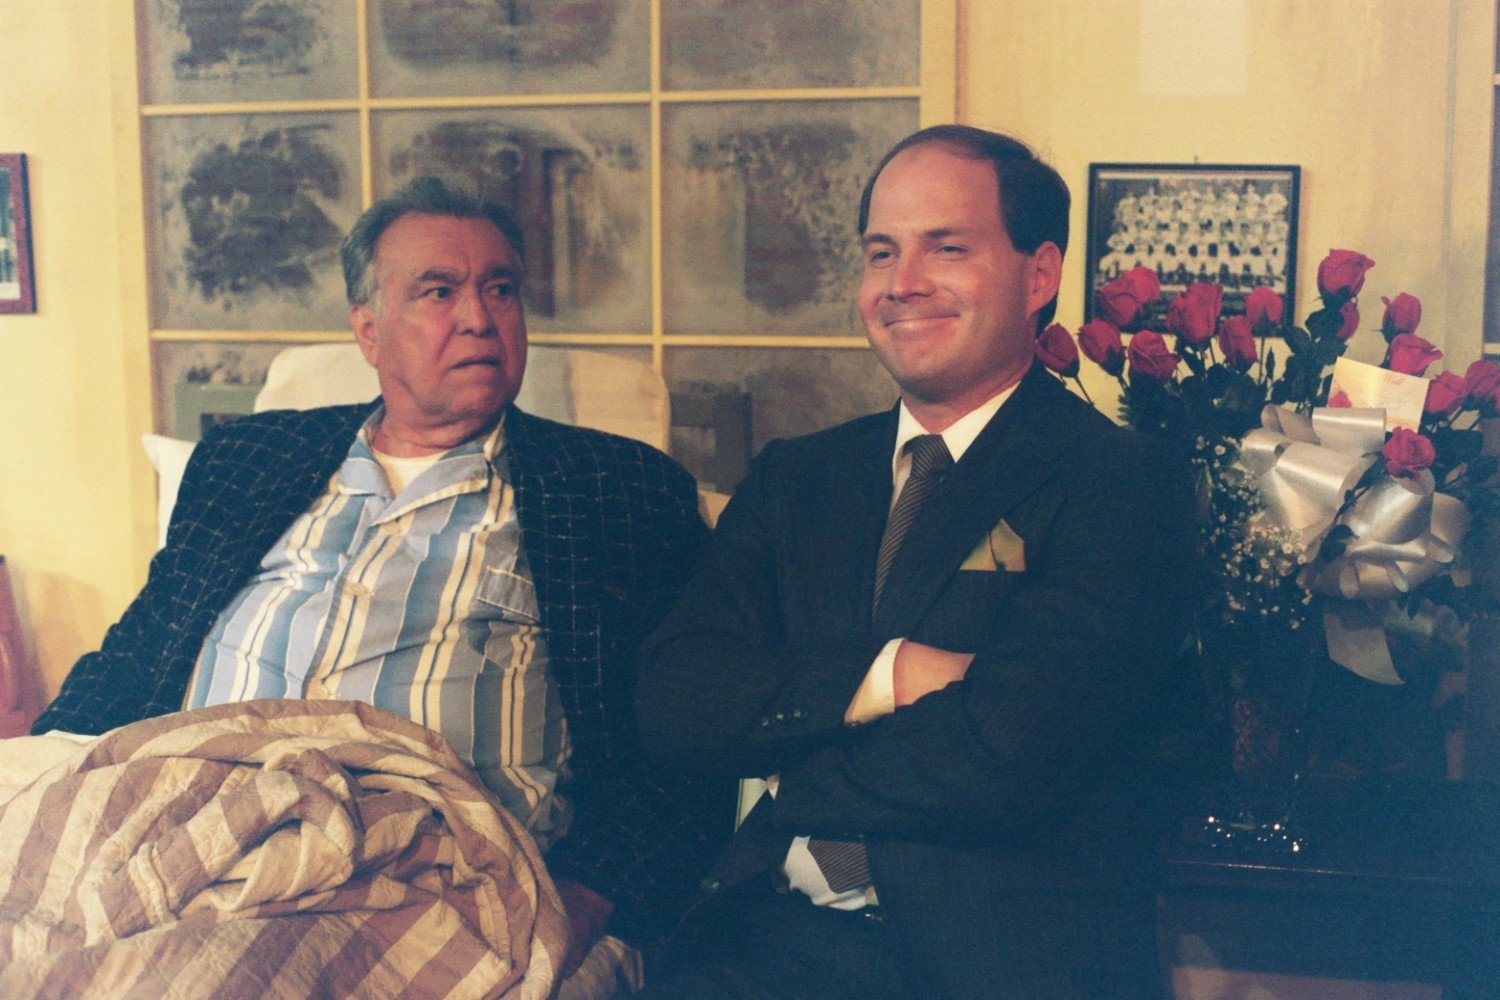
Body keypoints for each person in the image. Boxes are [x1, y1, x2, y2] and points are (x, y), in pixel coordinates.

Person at [33, 177, 728, 963]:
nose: (480, 317)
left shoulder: (615, 491)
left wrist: (587, 897)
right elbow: (135, 656)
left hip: (425, 880)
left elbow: (683, 746)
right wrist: (42, 791)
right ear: (368, 329)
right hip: (176, 834)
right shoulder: (248, 459)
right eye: (439, 291)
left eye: (500, 289)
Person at [634, 125, 1199, 999]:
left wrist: (786, 771)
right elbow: (674, 699)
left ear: (1039, 276)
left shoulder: (1122, 482)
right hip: (760, 944)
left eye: (947, 248)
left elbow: (1008, 757)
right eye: (881, 252)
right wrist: (889, 676)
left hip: (1000, 967)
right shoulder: (797, 477)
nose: (902, 283)